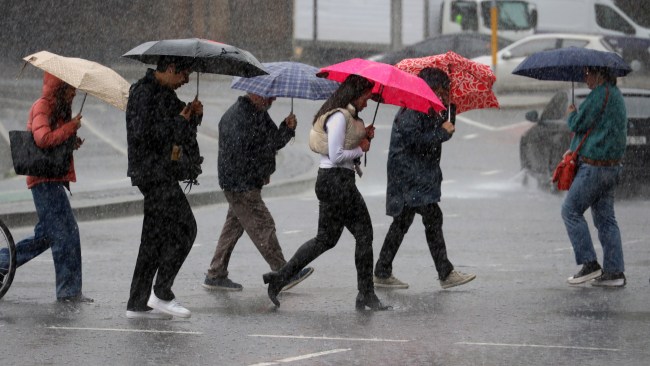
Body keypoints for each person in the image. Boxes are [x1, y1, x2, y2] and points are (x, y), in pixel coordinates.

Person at [262, 74, 390, 311]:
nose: (367, 102)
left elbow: (343, 148)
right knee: (364, 234)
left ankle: (279, 278)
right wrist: (360, 149)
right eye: (366, 97)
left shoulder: (345, 117)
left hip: (333, 182)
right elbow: (336, 154)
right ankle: (366, 295)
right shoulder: (339, 118)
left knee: (326, 240)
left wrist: (363, 136)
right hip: (337, 182)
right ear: (355, 95)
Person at [373, 67, 476, 290]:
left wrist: (449, 112)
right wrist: (442, 132)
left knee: (403, 221)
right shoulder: (414, 107)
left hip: (415, 175)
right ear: (433, 88)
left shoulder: (425, 105)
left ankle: (382, 270)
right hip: (409, 176)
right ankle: (445, 273)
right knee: (431, 217)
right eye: (444, 89)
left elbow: (432, 134)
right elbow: (416, 141)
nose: (446, 93)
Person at [202, 92, 313, 291]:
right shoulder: (240, 117)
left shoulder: (256, 112)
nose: (273, 100)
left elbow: (272, 141)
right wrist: (262, 171)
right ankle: (283, 272)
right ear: (254, 93)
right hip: (241, 185)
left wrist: (286, 129)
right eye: (269, 96)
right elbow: (250, 154)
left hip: (240, 183)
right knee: (263, 225)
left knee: (233, 227)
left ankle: (215, 273)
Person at [0, 73, 91, 302]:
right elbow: (42, 139)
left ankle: (3, 262)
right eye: (71, 88)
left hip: (51, 179)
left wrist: (71, 141)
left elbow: (54, 142)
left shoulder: (58, 108)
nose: (74, 93)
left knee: (45, 237)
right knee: (66, 234)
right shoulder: (43, 106)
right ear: (60, 87)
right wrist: (70, 128)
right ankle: (69, 293)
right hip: (44, 181)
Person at [125, 56, 203, 319]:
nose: (186, 80)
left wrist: (193, 117)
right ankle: (161, 292)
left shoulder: (165, 93)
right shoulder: (143, 93)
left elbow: (178, 132)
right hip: (152, 174)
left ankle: (137, 303)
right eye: (184, 74)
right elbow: (142, 134)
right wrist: (179, 123)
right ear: (170, 69)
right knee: (186, 228)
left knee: (153, 239)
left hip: (161, 172)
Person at [563, 66, 627, 287]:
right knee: (606, 220)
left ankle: (589, 264)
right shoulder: (615, 95)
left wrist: (571, 113)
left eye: (588, 72)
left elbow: (577, 125)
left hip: (595, 168)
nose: (585, 76)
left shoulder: (599, 94)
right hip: (612, 167)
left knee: (570, 211)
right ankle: (614, 272)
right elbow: (599, 130)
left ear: (600, 74)